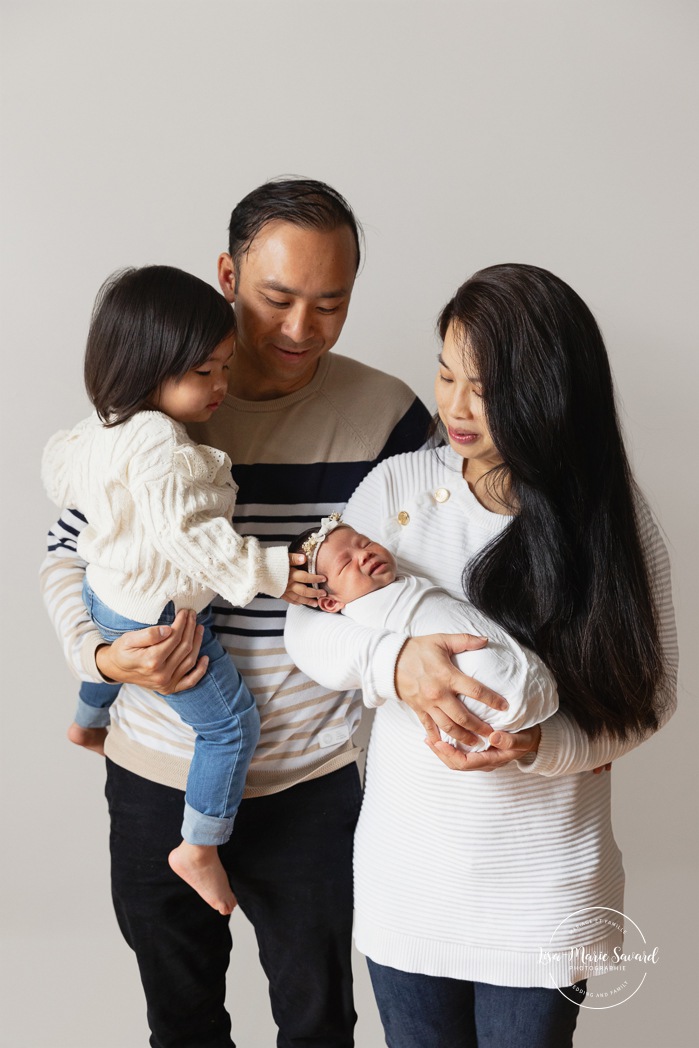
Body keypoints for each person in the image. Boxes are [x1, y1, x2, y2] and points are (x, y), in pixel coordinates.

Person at [40, 178, 443, 1047]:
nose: (302, 329)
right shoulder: (142, 417)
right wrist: (104, 664)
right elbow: (66, 561)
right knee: (180, 1023)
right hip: (157, 777)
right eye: (276, 298)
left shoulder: (389, 417)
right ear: (225, 275)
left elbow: (449, 568)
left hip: (310, 784)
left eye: (330, 304)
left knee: (318, 1024)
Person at [285, 263, 678, 1048]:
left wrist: (542, 746)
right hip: (408, 877)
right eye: (444, 373)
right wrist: (397, 665)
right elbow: (309, 630)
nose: (456, 407)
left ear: (547, 388)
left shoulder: (604, 517)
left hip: (542, 887)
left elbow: (646, 698)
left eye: (485, 387)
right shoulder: (396, 487)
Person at [42, 265, 315, 916]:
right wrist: (273, 571)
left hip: (108, 594)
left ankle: (87, 721)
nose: (221, 384)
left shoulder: (100, 426)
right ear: (147, 367)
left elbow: (58, 471)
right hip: (161, 613)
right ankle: (199, 845)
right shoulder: (163, 447)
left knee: (110, 636)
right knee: (228, 726)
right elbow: (191, 539)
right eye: (204, 373)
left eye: (225, 366)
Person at [288, 513, 558, 749]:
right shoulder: (359, 615)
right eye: (345, 564)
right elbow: (308, 632)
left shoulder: (401, 574)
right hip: (484, 712)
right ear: (331, 602)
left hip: (538, 683)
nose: (364, 554)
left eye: (365, 543)